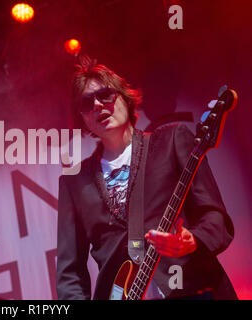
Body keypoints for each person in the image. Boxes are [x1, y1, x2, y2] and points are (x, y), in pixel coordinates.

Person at [56, 55, 238, 300]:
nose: (98, 105)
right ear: (84, 120)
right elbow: (70, 274)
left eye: (106, 95)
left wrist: (192, 240)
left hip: (189, 288)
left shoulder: (171, 141)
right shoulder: (74, 181)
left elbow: (214, 216)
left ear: (126, 98)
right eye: (87, 103)